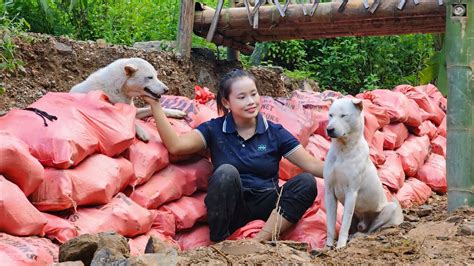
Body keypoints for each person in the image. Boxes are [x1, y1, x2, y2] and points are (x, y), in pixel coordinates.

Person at [143, 69, 324, 243]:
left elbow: (312, 165)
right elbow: (176, 146)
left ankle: (261, 241)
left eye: (254, 94)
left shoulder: (274, 132)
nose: (251, 101)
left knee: (307, 182)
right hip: (231, 208)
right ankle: (220, 242)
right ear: (227, 102)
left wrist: (349, 171)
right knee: (225, 173)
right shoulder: (214, 129)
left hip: (268, 206)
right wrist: (155, 106)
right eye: (242, 97)